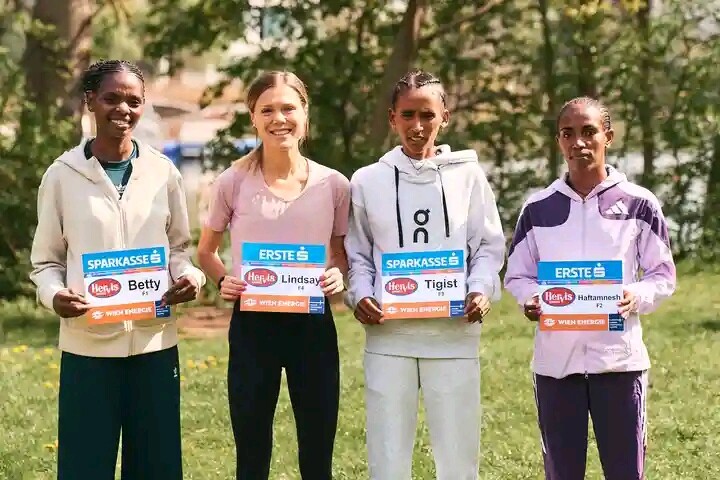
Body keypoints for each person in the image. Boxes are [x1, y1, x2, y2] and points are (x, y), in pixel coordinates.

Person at [30, 59, 205, 480]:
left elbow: (179, 250)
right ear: (90, 101)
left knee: (157, 467)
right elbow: (46, 262)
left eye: (133, 101)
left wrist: (190, 277)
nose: (123, 109)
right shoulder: (61, 176)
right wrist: (54, 295)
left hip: (155, 347)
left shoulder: (162, 172)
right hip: (88, 349)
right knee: (84, 466)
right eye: (112, 98)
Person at [345, 69, 506, 480]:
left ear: (444, 117)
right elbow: (358, 253)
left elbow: (488, 246)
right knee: (387, 458)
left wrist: (480, 289)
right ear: (392, 118)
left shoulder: (468, 176)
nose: (417, 126)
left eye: (427, 115)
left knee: (457, 459)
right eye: (408, 115)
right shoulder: (367, 180)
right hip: (389, 338)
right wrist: (360, 294)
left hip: (453, 336)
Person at [504, 96, 676, 480]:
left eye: (588, 132)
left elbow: (662, 274)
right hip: (555, 367)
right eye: (568, 134)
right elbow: (517, 275)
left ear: (608, 137)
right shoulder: (537, 208)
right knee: (562, 473)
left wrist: (636, 296)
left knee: (625, 472)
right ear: (558, 141)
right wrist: (531, 299)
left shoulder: (639, 204)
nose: (578, 142)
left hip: (619, 363)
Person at [196, 70, 350, 480]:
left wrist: (338, 276)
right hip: (253, 328)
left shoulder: (335, 185)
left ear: (305, 113)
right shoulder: (232, 182)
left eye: (288, 108)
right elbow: (206, 252)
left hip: (313, 328)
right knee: (251, 454)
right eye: (267, 110)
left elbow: (340, 255)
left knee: (317, 454)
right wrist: (223, 279)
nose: (278, 118)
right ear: (253, 117)